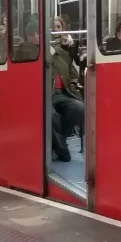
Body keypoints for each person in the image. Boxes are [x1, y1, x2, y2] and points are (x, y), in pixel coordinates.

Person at [51, 16, 85, 162]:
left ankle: (58, 141)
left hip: (64, 92)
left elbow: (73, 72)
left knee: (78, 108)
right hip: (47, 93)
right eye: (52, 28)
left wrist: (72, 84)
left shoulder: (64, 52)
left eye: (58, 27)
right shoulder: (38, 50)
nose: (54, 30)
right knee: (51, 116)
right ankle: (62, 150)